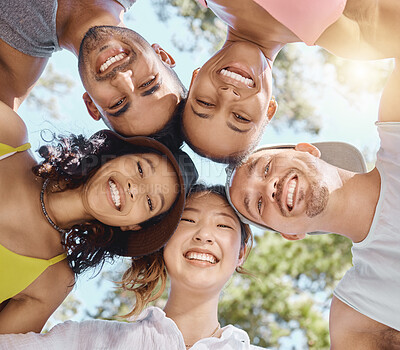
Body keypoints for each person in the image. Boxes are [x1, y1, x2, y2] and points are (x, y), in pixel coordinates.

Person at [226, 62, 400, 348]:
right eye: (257, 204)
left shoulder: (395, 122)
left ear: (306, 149)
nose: (269, 188)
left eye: (266, 168)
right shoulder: (358, 315)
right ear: (290, 234)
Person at [0, 99, 198, 334]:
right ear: (114, 156)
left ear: (133, 226)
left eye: (150, 202)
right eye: (141, 169)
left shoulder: (50, 282)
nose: (135, 188)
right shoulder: (9, 135)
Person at [0, 184, 266, 349]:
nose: (203, 235)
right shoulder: (86, 341)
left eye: (222, 225)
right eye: (187, 220)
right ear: (163, 242)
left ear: (242, 252)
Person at [182, 0, 400, 162]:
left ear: (194, 80)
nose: (228, 95)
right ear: (269, 110)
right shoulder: (354, 37)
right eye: (240, 117)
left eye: (206, 103)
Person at [0, 1, 186, 143]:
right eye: (148, 83)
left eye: (118, 103)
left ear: (92, 106)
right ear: (163, 56)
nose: (121, 78)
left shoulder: (12, 69)